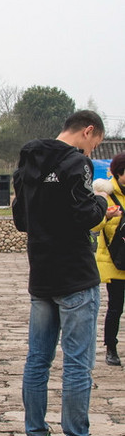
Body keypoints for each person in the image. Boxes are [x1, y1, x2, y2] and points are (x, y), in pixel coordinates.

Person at [12, 110, 119, 436]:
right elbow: (84, 214)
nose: (92, 151)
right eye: (95, 143)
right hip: (75, 274)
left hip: (41, 274)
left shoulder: (28, 160)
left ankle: (37, 435)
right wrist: (103, 204)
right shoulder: (78, 164)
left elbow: (21, 219)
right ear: (88, 131)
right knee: (77, 363)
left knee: (37, 359)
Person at [93, 152, 125, 366]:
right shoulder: (105, 193)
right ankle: (111, 348)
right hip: (114, 261)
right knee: (115, 306)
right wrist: (106, 215)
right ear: (119, 173)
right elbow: (93, 226)